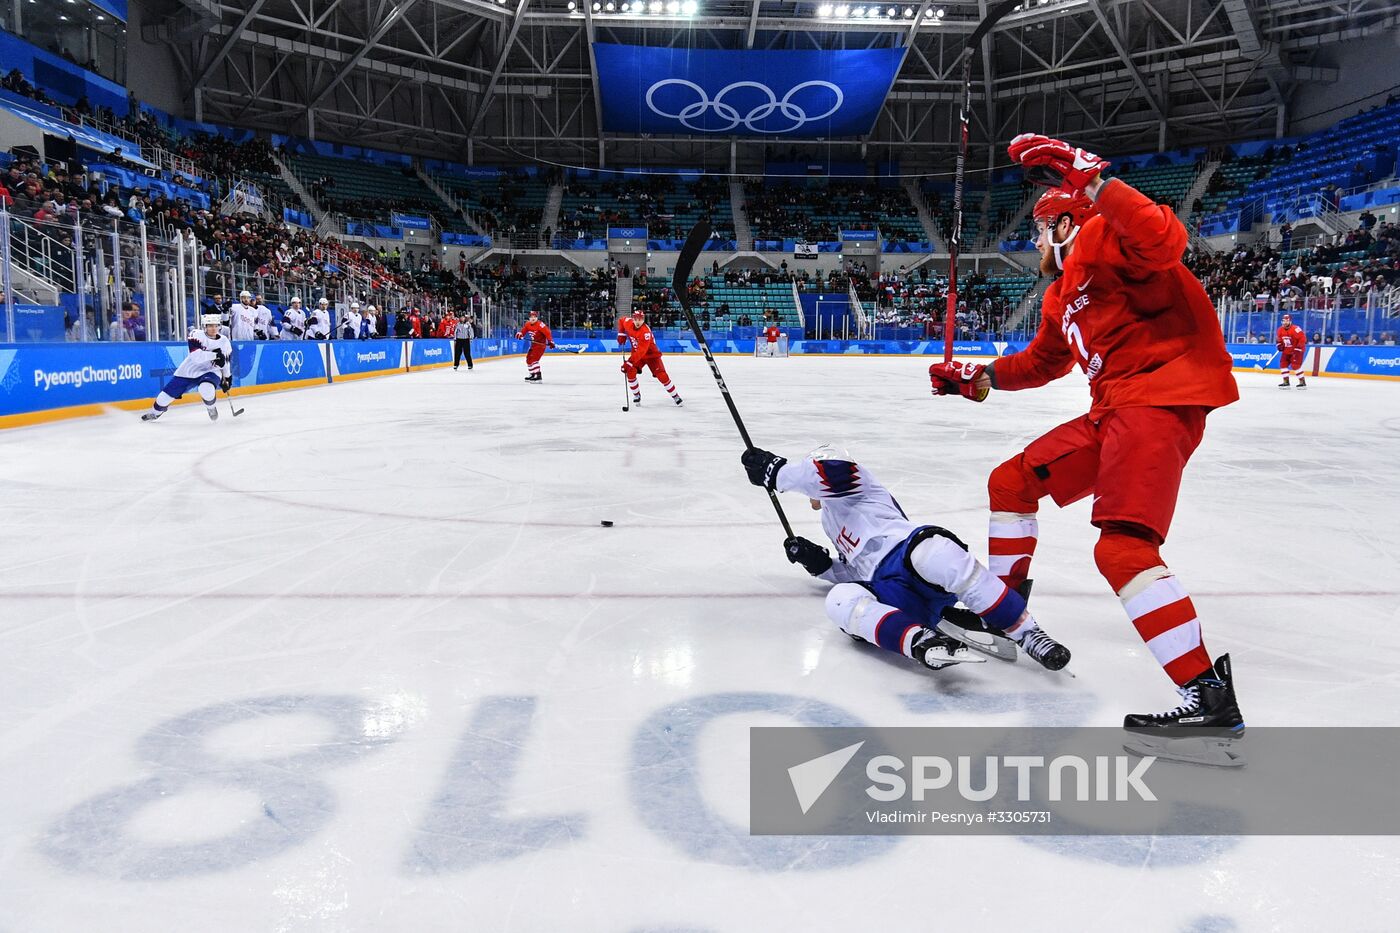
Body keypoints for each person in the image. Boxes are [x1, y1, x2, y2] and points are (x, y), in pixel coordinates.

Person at [928, 133, 1244, 736]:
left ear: (1066, 222)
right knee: (1011, 481)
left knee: (1122, 550)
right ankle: (1004, 611)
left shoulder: (1105, 234)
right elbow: (1043, 363)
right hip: (1117, 411)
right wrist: (976, 378)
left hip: (1158, 399)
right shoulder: (1061, 292)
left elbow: (1165, 238)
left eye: (1040, 229)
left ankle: (1209, 699)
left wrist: (1091, 179)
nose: (1034, 242)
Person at [740, 444, 1072, 673]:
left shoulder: (858, 484)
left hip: (911, 561)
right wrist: (820, 564)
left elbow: (832, 472)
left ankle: (1029, 634)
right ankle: (920, 641)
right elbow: (854, 572)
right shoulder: (828, 520)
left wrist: (778, 473)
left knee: (935, 550)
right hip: (891, 591)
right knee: (839, 601)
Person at [141, 313, 232, 422]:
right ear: (205, 326)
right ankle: (155, 413)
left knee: (206, 389)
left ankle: (211, 408)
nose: (213, 328)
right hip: (189, 371)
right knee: (163, 397)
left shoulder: (224, 341)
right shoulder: (196, 335)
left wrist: (227, 377)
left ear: (219, 326)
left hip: (211, 370)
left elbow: (225, 361)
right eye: (210, 325)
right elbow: (196, 357)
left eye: (215, 325)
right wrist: (215, 355)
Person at [618, 307, 682, 406]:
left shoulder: (645, 332)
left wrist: (629, 362)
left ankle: (675, 396)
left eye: (640, 319)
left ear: (643, 320)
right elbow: (621, 320)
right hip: (638, 356)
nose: (638, 321)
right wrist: (621, 334)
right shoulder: (628, 323)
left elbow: (641, 351)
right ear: (633, 319)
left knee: (662, 375)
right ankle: (637, 395)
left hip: (652, 355)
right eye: (636, 319)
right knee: (631, 372)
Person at [516, 309, 555, 382]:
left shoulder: (540, 325)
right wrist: (520, 334)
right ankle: (532, 374)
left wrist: (550, 341)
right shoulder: (527, 324)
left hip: (540, 346)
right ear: (529, 318)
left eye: (534, 316)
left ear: (537, 318)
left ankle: (538, 375)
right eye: (531, 317)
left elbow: (548, 332)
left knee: (534, 359)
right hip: (534, 345)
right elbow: (523, 331)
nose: (533, 318)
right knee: (528, 359)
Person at [1276, 312, 1308, 388]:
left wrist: (1298, 348)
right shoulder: (1280, 330)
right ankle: (1286, 382)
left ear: (1290, 321)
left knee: (1295, 365)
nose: (1285, 322)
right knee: (1283, 364)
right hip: (1286, 350)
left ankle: (1302, 382)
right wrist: (1279, 345)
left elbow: (1303, 339)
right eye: (1283, 321)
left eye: (1286, 321)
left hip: (1297, 350)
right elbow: (1279, 339)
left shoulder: (1296, 329)